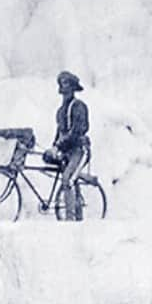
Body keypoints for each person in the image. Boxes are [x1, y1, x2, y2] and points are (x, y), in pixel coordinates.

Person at [47, 70, 90, 221]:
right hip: (67, 150)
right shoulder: (60, 111)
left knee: (67, 179)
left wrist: (59, 144)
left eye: (66, 85)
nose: (64, 90)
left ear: (73, 88)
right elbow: (59, 132)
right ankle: (78, 217)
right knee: (70, 181)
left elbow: (77, 131)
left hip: (79, 150)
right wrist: (54, 147)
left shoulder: (79, 106)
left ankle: (70, 220)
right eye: (61, 85)